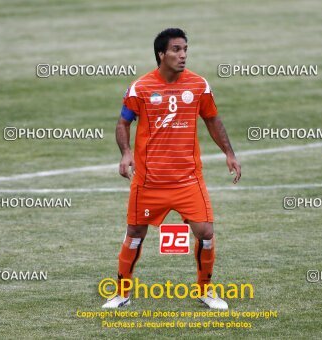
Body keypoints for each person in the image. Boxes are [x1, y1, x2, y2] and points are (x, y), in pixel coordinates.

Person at [102, 28, 241, 309]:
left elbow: (212, 120)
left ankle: (205, 290)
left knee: (206, 233)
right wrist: (126, 152)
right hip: (149, 181)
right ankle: (121, 293)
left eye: (185, 49)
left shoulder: (199, 85)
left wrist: (229, 153)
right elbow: (122, 123)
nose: (183, 55)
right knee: (134, 234)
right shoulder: (140, 88)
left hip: (188, 180)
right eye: (176, 50)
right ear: (161, 54)